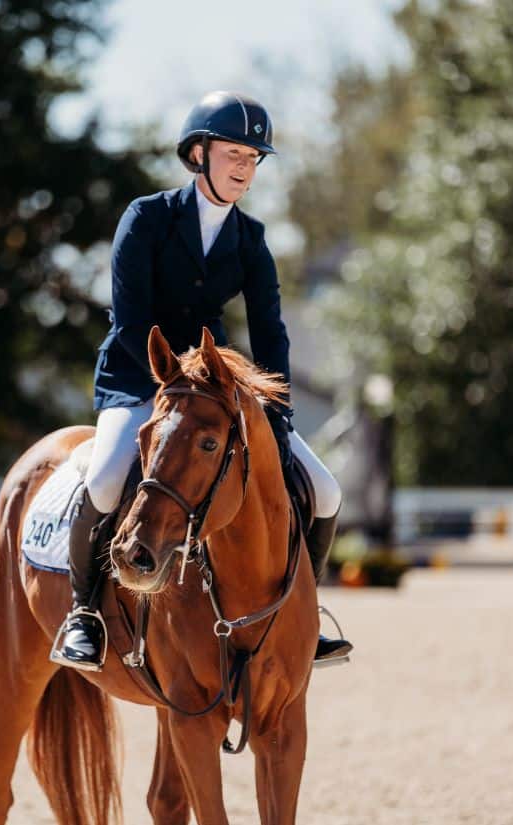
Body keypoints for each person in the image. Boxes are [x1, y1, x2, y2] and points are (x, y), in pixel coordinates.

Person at [51, 91, 352, 672]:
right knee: (111, 474)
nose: (244, 166)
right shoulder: (146, 217)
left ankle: (300, 616)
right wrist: (174, 381)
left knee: (326, 490)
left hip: (213, 387)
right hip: (141, 376)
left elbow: (270, 333)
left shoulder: (252, 239)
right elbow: (132, 317)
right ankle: (83, 613)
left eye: (254, 157)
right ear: (198, 153)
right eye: (233, 152)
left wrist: (278, 409)